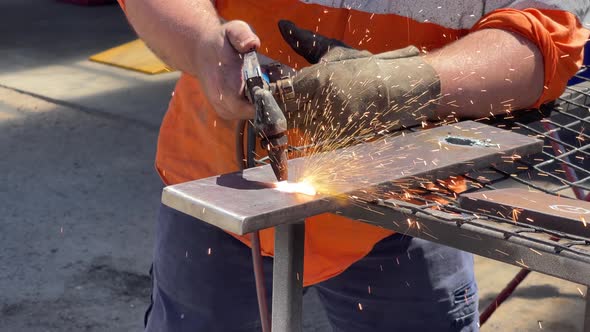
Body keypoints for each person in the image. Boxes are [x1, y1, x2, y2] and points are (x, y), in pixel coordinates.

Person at [117, 1, 589, 331]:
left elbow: (548, 31)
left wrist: (411, 83)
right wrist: (201, 44)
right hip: (223, 187)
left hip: (408, 198)